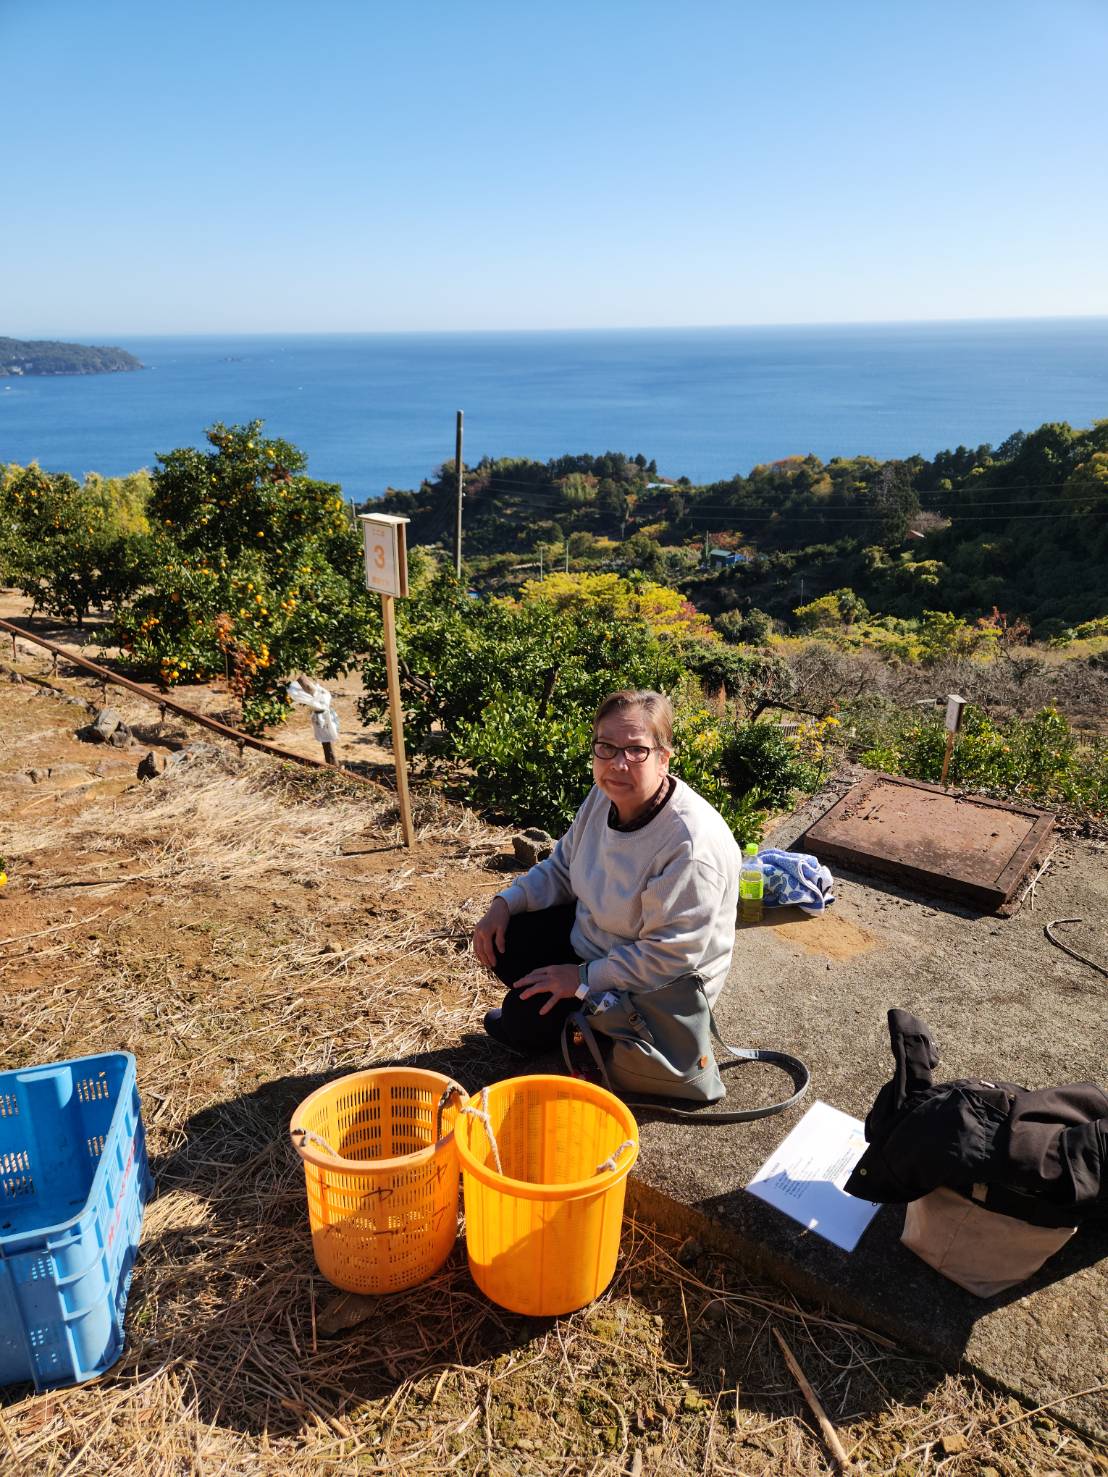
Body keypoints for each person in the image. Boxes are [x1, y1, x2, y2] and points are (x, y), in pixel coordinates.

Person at [472, 689, 742, 1053]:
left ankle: (595, 1037)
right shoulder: (605, 796)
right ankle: (565, 1021)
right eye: (607, 748)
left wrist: (582, 978)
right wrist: (505, 902)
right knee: (506, 935)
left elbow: (669, 958)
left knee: (523, 1020)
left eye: (636, 750)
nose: (618, 764)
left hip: (654, 992)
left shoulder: (690, 845)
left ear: (663, 758)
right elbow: (562, 868)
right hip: (598, 947)